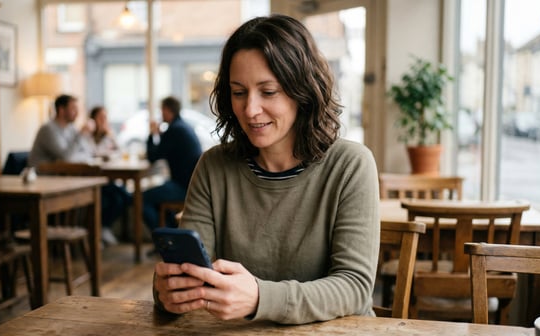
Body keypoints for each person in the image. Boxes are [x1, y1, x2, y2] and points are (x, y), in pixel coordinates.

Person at [152, 15, 380, 325]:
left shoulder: (351, 165)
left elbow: (354, 287)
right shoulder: (214, 166)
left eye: (268, 92)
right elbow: (195, 276)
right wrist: (170, 291)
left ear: (304, 91)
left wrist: (261, 298)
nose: (250, 110)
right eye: (238, 92)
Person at [29, 94, 130, 246]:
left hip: (69, 179)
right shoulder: (48, 129)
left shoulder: (70, 129)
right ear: (61, 110)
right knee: (104, 195)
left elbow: (87, 152)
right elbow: (65, 157)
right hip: (47, 182)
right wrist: (81, 135)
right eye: (73, 108)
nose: (77, 112)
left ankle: (100, 229)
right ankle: (95, 235)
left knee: (120, 193)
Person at [142, 96, 202, 230]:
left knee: (140, 199)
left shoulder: (174, 130)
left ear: (168, 110)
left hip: (183, 188)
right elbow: (168, 148)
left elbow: (152, 156)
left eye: (161, 110)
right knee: (157, 198)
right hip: (190, 185)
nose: (160, 113)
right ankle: (171, 236)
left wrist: (152, 134)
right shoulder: (183, 127)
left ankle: (165, 239)